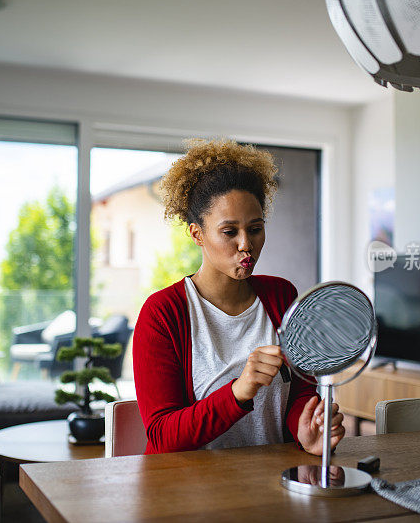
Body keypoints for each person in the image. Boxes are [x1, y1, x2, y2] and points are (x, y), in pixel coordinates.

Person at [133, 138, 345, 455]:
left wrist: (305, 429)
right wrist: (238, 392)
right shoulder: (164, 313)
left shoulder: (282, 296)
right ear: (197, 234)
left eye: (255, 228)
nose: (246, 244)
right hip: (186, 491)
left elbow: (301, 387)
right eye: (230, 232)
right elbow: (162, 435)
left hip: (272, 480)